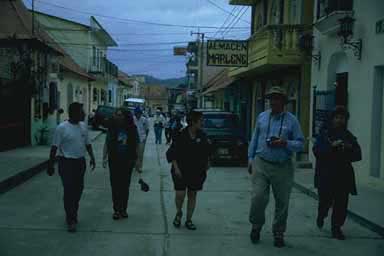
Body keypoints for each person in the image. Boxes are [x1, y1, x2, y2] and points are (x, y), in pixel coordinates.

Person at [248, 86, 304, 247]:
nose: (273, 101)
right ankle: (256, 226)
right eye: (271, 98)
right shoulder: (262, 117)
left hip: (282, 166)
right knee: (258, 197)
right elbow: (255, 137)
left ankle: (279, 232)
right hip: (261, 162)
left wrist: (285, 143)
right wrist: (250, 158)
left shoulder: (292, 120)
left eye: (277, 98)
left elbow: (300, 144)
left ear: (283, 102)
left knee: (282, 202)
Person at [313, 106, 361, 240]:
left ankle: (336, 228)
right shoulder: (324, 134)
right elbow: (317, 151)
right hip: (326, 175)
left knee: (341, 204)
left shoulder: (348, 136)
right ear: (332, 119)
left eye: (343, 118)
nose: (340, 120)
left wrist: (348, 147)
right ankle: (321, 215)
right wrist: (331, 147)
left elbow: (358, 154)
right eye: (337, 117)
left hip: (343, 175)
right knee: (325, 202)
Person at [47, 102, 96, 233]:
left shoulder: (83, 127)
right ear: (74, 113)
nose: (84, 113)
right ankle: (71, 219)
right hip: (66, 163)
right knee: (69, 191)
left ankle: (72, 212)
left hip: (80, 163)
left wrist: (92, 157)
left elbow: (88, 144)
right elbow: (54, 147)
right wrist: (50, 164)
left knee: (78, 190)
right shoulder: (62, 128)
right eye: (81, 111)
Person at [166, 111, 211, 230]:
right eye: (201, 121)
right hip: (180, 169)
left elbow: (206, 151)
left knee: (192, 194)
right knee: (180, 194)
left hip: (196, 170)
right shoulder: (181, 134)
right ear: (193, 122)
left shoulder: (202, 135)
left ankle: (189, 219)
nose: (203, 123)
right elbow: (172, 153)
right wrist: (176, 168)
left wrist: (207, 162)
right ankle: (179, 212)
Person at [102, 108, 139, 220]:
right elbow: (107, 142)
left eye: (120, 115)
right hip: (114, 160)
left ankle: (123, 209)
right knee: (115, 185)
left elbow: (137, 144)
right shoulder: (112, 128)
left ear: (125, 116)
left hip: (128, 161)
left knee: (125, 186)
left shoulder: (132, 129)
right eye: (116, 115)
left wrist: (138, 160)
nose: (117, 117)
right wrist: (104, 157)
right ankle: (116, 210)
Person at [133, 107, 149, 173]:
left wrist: (145, 138)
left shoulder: (144, 120)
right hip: (134, 139)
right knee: (134, 153)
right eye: (137, 113)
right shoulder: (133, 119)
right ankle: (135, 165)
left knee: (140, 154)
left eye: (139, 113)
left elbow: (147, 129)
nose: (138, 115)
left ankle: (140, 167)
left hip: (142, 138)